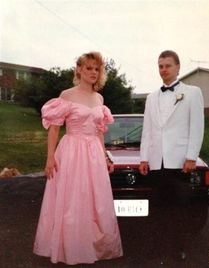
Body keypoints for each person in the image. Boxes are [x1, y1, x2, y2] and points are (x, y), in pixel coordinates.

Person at [33, 52, 123, 265]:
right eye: (89, 68)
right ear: (79, 70)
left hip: (93, 153)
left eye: (97, 69)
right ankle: (70, 247)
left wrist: (105, 158)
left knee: (94, 200)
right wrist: (49, 158)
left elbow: (100, 132)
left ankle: (91, 245)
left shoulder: (99, 98)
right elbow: (54, 129)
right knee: (71, 199)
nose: (93, 72)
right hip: (72, 151)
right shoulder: (67, 95)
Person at [139, 50, 204, 261]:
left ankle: (178, 249)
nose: (163, 70)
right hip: (157, 162)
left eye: (168, 65)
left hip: (180, 162)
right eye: (160, 66)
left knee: (178, 208)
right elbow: (147, 130)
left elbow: (197, 127)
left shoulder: (193, 92)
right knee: (158, 208)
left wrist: (191, 156)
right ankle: (158, 249)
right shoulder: (151, 97)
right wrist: (143, 158)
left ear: (177, 68)